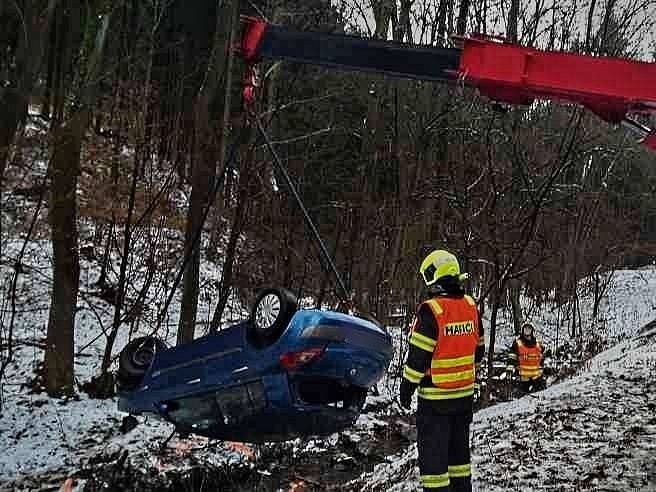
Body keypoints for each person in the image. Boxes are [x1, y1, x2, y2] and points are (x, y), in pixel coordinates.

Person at [399, 249, 485, 492]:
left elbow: (418, 358)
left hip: (435, 402)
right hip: (464, 398)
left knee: (434, 468)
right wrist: (473, 383)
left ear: (433, 276)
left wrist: (406, 389)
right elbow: (478, 350)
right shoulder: (470, 306)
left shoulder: (431, 311)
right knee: (459, 461)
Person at [506, 321, 545, 394]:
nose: (527, 330)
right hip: (523, 378)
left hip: (536, 378)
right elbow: (511, 357)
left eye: (529, 328)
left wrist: (542, 370)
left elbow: (541, 357)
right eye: (525, 328)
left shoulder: (538, 344)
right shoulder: (517, 343)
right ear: (522, 330)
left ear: (532, 330)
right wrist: (509, 369)